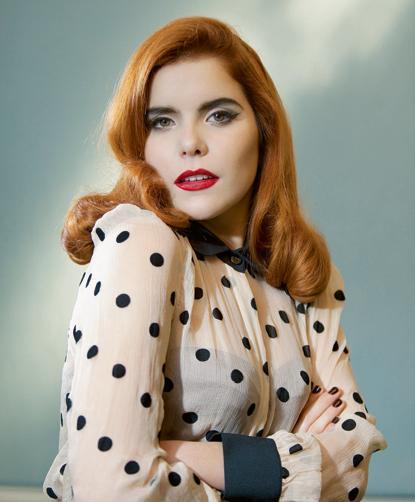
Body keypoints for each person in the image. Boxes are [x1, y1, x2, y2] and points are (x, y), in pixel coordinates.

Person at [42, 15, 388, 501]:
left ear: (263, 127)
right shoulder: (140, 244)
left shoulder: (307, 274)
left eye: (218, 115)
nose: (190, 143)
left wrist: (177, 453)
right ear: (140, 143)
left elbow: (352, 464)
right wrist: (284, 462)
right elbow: (109, 486)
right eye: (161, 121)